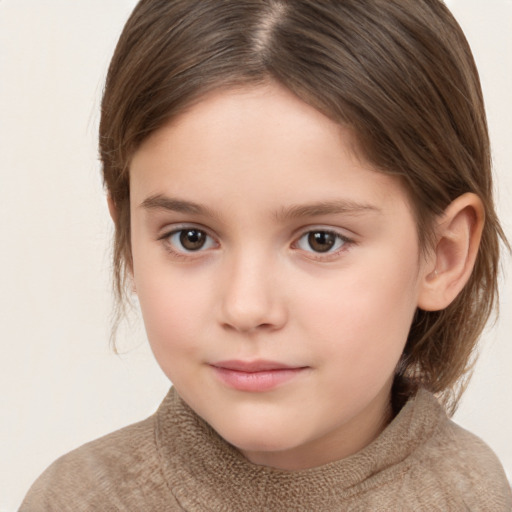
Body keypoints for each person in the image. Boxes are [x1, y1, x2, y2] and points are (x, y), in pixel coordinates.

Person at [20, 0, 512, 510]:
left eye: (321, 240)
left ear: (444, 255)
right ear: (128, 242)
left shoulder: (477, 497)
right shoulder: (78, 499)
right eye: (190, 237)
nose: (246, 307)